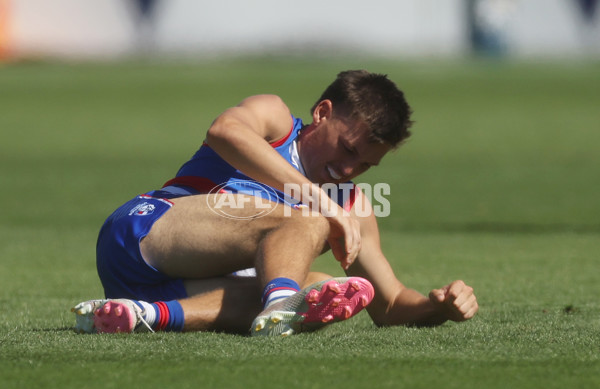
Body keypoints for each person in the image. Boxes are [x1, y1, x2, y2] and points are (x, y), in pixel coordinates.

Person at [72, 70, 478, 336]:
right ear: (322, 112)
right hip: (145, 233)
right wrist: (321, 202)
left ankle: (147, 315)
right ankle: (279, 306)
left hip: (181, 288)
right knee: (308, 225)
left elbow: (389, 303)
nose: (350, 170)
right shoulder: (275, 119)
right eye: (348, 148)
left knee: (327, 290)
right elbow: (223, 131)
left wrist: (439, 306)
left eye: (365, 165)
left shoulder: (351, 204)